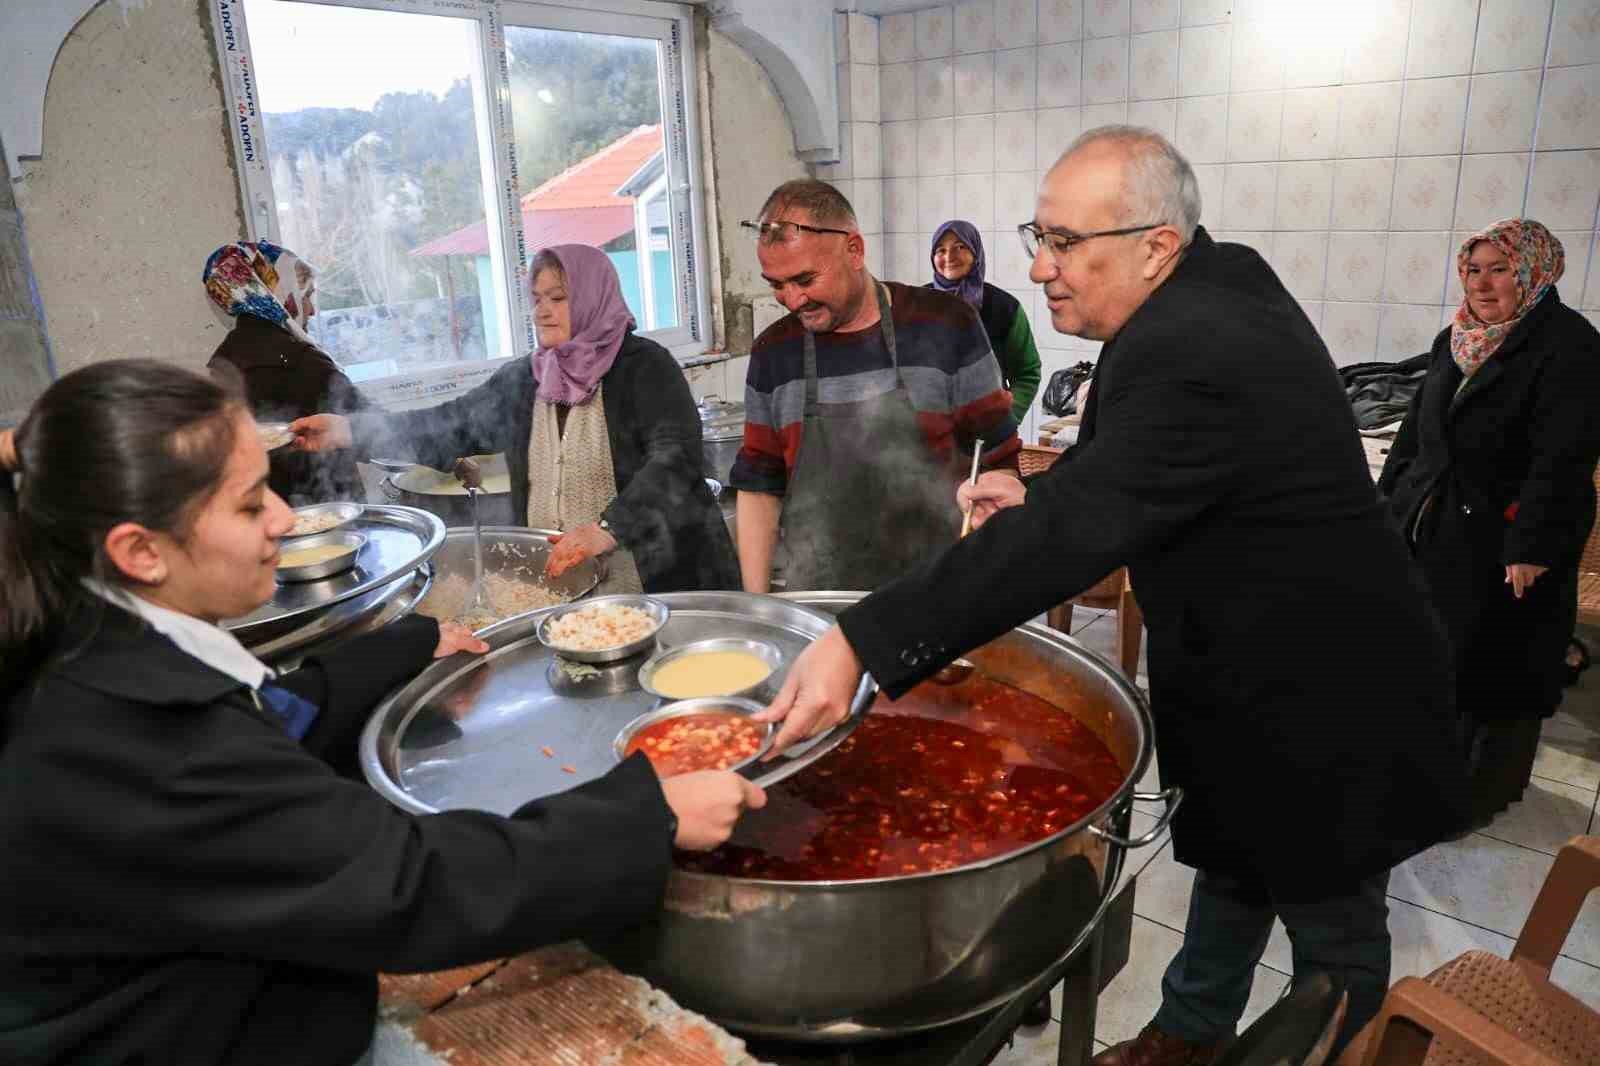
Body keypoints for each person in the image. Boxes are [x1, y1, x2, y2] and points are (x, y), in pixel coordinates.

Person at [753, 128, 1467, 1064]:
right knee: (1233, 860)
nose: (1038, 268)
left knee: (1336, 952)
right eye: (1037, 236)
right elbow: (1131, 476)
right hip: (1243, 675)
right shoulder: (1210, 284)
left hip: (1328, 698)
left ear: (1156, 246)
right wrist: (1040, 493)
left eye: (1064, 243)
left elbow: (1073, 536)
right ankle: (1187, 1033)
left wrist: (861, 640)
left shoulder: (1197, 345)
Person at [0, 360, 763, 1066]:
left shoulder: (89, 648)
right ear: (140, 552)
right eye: (249, 503)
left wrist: (408, 644)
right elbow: (409, 884)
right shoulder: (141, 743)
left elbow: (278, 712)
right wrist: (648, 812)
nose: (283, 520)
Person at [292, 244, 737, 595]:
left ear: (592, 297)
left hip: (663, 581)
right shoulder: (528, 378)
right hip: (572, 582)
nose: (542, 311)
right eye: (537, 299)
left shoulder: (644, 367)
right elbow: (448, 426)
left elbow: (674, 460)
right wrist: (350, 430)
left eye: (558, 298)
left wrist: (609, 528)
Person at [1380, 220, 1600, 829]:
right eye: (1473, 270)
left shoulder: (1571, 346)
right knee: (1430, 659)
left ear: (1532, 273)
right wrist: (1383, 509)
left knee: (1493, 670)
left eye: (1499, 269)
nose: (1482, 283)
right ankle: (1418, 783)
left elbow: (1563, 457)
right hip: (1436, 528)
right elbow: (1414, 435)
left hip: (1508, 541)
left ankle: (1471, 801)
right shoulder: (1455, 338)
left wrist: (1531, 544)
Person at [730, 180, 1021, 594]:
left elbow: (998, 455)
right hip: (820, 597)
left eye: (805, 279)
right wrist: (759, 607)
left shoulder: (946, 323)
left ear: (854, 250)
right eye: (777, 285)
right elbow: (759, 485)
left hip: (940, 591)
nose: (792, 301)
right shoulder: (773, 353)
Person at [203, 239, 372, 505]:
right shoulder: (303, 360)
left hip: (262, 506)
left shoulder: (221, 362)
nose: (311, 310)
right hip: (327, 507)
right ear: (280, 294)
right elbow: (373, 425)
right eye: (306, 296)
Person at [927, 220, 1043, 424]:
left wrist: (1006, 419)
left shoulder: (1004, 308)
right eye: (941, 250)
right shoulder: (917, 303)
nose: (949, 257)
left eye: (960, 247)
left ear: (975, 252)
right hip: (927, 433)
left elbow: (1027, 373)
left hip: (986, 433)